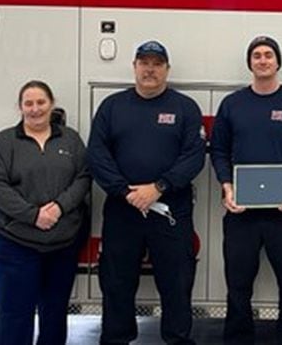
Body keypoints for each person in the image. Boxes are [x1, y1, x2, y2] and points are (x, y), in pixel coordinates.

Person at [88, 40, 206, 345]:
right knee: (116, 283)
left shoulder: (185, 108)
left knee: (177, 283)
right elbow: (97, 155)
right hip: (122, 210)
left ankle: (178, 339)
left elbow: (194, 156)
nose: (150, 69)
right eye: (144, 63)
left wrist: (158, 187)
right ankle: (116, 339)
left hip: (170, 211)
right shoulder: (112, 107)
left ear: (167, 69)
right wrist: (125, 192)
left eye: (156, 63)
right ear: (135, 67)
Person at [210, 35, 282, 345]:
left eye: (268, 55)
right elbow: (218, 151)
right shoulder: (233, 104)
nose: (263, 60)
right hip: (241, 214)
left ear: (278, 61)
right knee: (238, 286)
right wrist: (227, 186)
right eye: (256, 55)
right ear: (250, 63)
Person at [0, 80, 91, 345]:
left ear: (51, 105)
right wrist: (33, 215)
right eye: (28, 103)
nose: (35, 109)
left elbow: (84, 177)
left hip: (61, 243)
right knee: (14, 314)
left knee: (54, 313)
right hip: (14, 242)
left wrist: (59, 207)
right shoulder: (5, 142)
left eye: (40, 102)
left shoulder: (71, 139)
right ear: (20, 108)